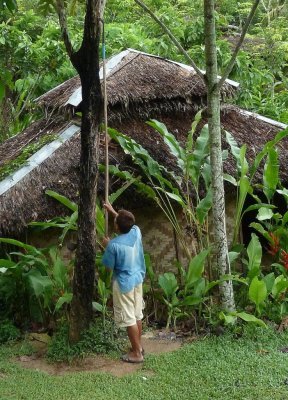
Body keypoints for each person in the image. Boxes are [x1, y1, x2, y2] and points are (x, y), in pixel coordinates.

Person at [102, 201, 146, 363]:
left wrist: (107, 246)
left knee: (129, 319)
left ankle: (136, 354)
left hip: (123, 284)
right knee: (137, 315)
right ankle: (139, 346)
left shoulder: (114, 245)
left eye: (115, 221)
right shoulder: (136, 232)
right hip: (137, 280)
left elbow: (108, 267)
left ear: (117, 228)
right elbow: (127, 223)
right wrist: (113, 212)